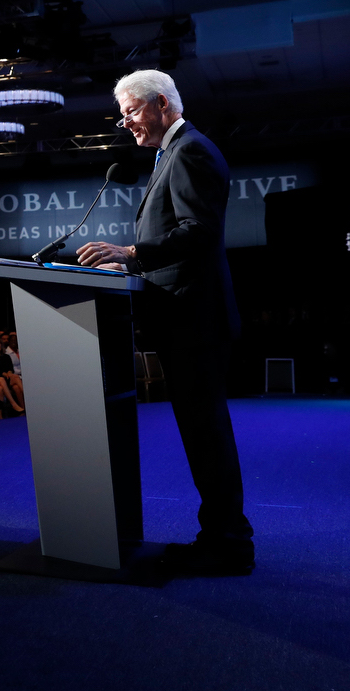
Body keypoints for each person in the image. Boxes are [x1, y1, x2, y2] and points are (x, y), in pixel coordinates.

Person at [77, 68, 252, 576]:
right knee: (202, 434)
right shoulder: (173, 152)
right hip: (186, 318)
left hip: (194, 320)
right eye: (124, 115)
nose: (126, 123)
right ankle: (220, 537)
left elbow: (198, 231)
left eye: (131, 112)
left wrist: (131, 252)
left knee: (207, 434)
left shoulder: (190, 149)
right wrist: (129, 263)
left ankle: (229, 544)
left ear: (159, 103)